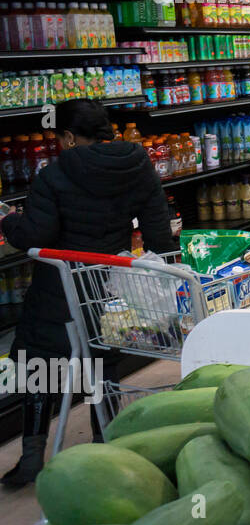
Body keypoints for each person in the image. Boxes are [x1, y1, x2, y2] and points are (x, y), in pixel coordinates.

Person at [0, 100, 174, 487]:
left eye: (59, 136)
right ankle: (105, 450)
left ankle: (31, 459)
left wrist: (9, 220)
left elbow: (34, 236)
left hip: (57, 285)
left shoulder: (55, 173)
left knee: (38, 364)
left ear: (68, 136)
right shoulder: (138, 163)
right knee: (101, 364)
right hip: (106, 284)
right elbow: (158, 228)